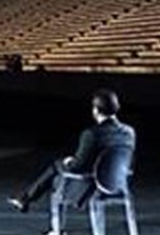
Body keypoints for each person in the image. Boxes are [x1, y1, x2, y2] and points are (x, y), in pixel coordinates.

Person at [8, 89, 135, 219]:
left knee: (57, 171)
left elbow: (78, 166)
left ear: (95, 110)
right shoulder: (129, 132)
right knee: (59, 176)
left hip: (94, 184)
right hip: (120, 182)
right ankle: (26, 199)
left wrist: (69, 162)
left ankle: (29, 201)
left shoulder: (91, 134)